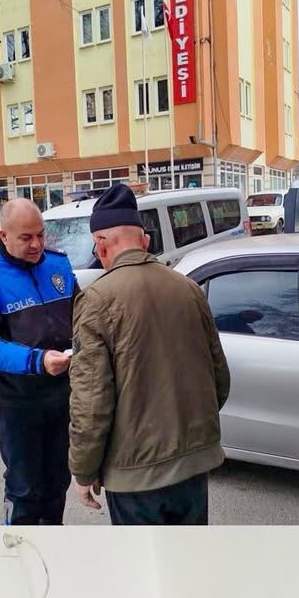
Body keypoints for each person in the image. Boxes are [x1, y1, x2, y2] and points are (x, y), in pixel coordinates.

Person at [67, 183, 230, 526]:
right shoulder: (188, 288)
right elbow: (219, 377)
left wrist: (83, 470)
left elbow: (92, 402)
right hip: (193, 465)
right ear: (145, 240)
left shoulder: (96, 300)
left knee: (145, 570)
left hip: (135, 476)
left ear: (100, 244)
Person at [0, 199, 79, 525]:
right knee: (26, 487)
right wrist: (36, 361)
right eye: (26, 237)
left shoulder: (58, 265)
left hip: (62, 394)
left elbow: (82, 318)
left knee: (57, 481)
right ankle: (15, 549)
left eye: (40, 235)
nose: (37, 244)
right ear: (4, 235)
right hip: (15, 399)